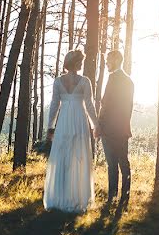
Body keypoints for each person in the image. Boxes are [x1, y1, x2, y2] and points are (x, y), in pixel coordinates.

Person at [43, 49, 98, 212]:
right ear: (75, 63)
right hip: (79, 119)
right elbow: (89, 105)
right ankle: (76, 197)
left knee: (63, 156)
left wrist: (50, 126)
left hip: (64, 120)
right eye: (80, 61)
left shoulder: (58, 81)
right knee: (78, 156)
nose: (81, 64)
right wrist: (95, 124)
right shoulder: (85, 81)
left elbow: (54, 105)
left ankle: (61, 197)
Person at [97, 50, 134, 205]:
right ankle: (125, 197)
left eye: (108, 61)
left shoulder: (112, 78)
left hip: (109, 129)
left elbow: (105, 103)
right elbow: (129, 108)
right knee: (123, 163)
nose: (106, 64)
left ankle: (112, 196)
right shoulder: (129, 81)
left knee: (112, 164)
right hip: (122, 128)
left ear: (117, 60)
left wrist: (99, 124)